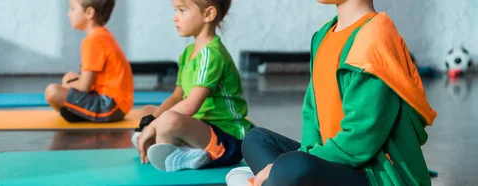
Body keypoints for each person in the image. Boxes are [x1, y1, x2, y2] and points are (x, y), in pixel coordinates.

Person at [228, 0, 438, 185]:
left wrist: (289, 165)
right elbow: (312, 112)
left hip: (375, 174)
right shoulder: (322, 36)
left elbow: (360, 141)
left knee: (291, 166)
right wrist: (306, 155)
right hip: (337, 162)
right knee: (256, 140)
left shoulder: (376, 38)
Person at [133, 0, 252, 172]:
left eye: (182, 10)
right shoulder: (188, 53)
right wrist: (149, 122)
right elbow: (176, 97)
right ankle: (183, 150)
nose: (175, 18)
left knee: (168, 120)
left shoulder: (211, 54)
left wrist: (153, 127)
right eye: (175, 10)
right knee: (148, 110)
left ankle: (187, 150)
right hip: (200, 128)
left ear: (208, 14)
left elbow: (190, 105)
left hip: (228, 139)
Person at [45, 0, 133, 123]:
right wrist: (74, 80)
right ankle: (75, 112)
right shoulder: (103, 36)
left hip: (109, 105)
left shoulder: (93, 41)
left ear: (89, 12)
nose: (68, 14)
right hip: (118, 105)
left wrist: (67, 83)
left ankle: (74, 112)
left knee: (52, 92)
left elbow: (83, 87)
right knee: (67, 83)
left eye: (73, 9)